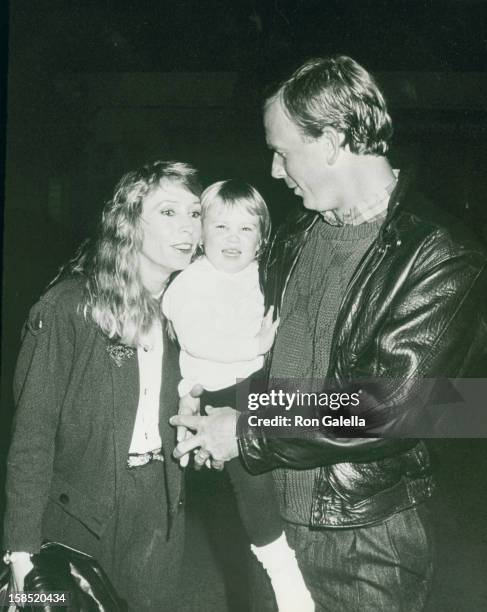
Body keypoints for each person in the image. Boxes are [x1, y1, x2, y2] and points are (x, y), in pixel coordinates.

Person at [170, 55, 487, 611]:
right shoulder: (296, 235)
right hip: (270, 515)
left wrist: (246, 430)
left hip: (363, 537)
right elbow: (263, 356)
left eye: (282, 151)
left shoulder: (439, 256)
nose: (273, 171)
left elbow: (393, 406)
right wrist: (215, 408)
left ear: (333, 141)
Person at [2, 160, 203, 611]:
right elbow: (32, 437)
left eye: (194, 213)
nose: (188, 227)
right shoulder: (68, 307)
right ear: (129, 222)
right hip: (78, 515)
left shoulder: (186, 310)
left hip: (159, 506)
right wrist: (20, 553)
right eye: (169, 212)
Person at [162, 179, 314, 612]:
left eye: (246, 230)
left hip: (257, 381)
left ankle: (282, 555)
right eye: (221, 227)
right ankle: (278, 562)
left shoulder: (258, 275)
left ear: (262, 239)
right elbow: (198, 339)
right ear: (201, 235)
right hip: (216, 386)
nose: (232, 239)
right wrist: (257, 346)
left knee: (275, 466)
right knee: (252, 483)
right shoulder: (191, 281)